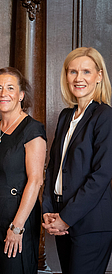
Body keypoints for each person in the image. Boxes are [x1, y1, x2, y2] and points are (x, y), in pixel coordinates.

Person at [42, 47, 112, 274]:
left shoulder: (105, 116)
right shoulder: (66, 116)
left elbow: (100, 177)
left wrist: (66, 217)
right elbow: (53, 168)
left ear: (99, 76)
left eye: (86, 72)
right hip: (62, 219)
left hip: (91, 224)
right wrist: (48, 209)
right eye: (73, 72)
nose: (78, 78)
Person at [0, 67, 46, 273]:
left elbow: (35, 181)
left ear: (21, 95)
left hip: (17, 216)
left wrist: (17, 227)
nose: (3, 93)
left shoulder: (32, 129)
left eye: (10, 88)